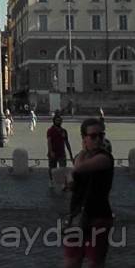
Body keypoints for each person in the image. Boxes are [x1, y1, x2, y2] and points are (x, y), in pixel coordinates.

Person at [63, 118, 115, 267]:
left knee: (95, 264)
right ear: (84, 137)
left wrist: (82, 150)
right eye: (93, 136)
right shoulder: (83, 158)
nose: (98, 139)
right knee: (70, 263)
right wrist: (70, 180)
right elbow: (77, 182)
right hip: (77, 216)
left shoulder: (105, 158)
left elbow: (78, 167)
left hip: (98, 218)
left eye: (101, 135)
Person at [47, 113, 74, 189]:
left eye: (60, 120)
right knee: (52, 168)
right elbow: (49, 141)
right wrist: (51, 151)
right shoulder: (50, 130)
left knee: (63, 168)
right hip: (53, 152)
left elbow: (67, 142)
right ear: (54, 121)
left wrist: (70, 153)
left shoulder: (64, 131)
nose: (59, 122)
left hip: (62, 152)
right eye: (57, 120)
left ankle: (63, 183)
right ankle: (51, 181)